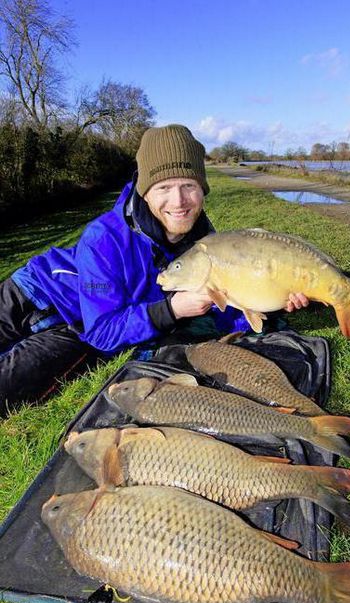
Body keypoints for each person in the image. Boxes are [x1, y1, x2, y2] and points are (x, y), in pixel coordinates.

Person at [0, 124, 308, 415]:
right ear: (145, 190)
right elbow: (105, 330)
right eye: (164, 187)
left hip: (77, 329)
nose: (179, 201)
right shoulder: (104, 237)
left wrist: (269, 304)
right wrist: (171, 310)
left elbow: (222, 301)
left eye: (189, 185)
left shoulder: (206, 243)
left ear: (203, 189)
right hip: (34, 290)